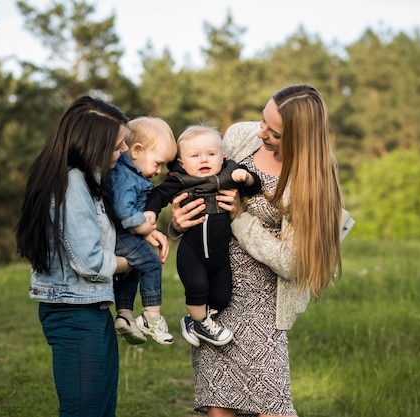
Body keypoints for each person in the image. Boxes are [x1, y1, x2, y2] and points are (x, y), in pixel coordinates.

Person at [169, 85, 354, 416]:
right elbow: (195, 180)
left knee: (272, 407)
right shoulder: (241, 136)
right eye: (263, 120)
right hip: (216, 291)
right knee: (219, 405)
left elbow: (292, 262)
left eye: (275, 132)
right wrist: (178, 223)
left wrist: (239, 218)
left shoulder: (313, 181)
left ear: (300, 139)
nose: (262, 132)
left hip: (265, 305)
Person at [15, 96, 168, 417]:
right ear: (89, 146)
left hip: (91, 307)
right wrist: (138, 261)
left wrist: (146, 232)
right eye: (116, 146)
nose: (125, 151)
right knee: (84, 410)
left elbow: (113, 226)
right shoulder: (71, 185)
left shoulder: (89, 180)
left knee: (101, 408)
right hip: (73, 313)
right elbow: (89, 261)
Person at [144, 124, 261, 347]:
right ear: (182, 163)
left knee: (222, 297)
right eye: (195, 156)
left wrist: (246, 178)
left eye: (211, 154)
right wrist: (150, 211)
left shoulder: (229, 174)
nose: (203, 160)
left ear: (223, 156)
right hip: (192, 252)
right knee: (197, 287)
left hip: (220, 255)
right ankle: (200, 321)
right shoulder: (180, 179)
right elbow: (158, 195)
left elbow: (255, 186)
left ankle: (194, 320)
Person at [107, 116, 177, 346]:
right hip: (120, 235)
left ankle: (125, 314)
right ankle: (152, 318)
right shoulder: (125, 176)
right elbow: (122, 208)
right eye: (158, 163)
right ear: (136, 151)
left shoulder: (130, 173)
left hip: (123, 235)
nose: (158, 170)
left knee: (134, 269)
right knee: (150, 263)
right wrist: (143, 225)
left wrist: (145, 232)